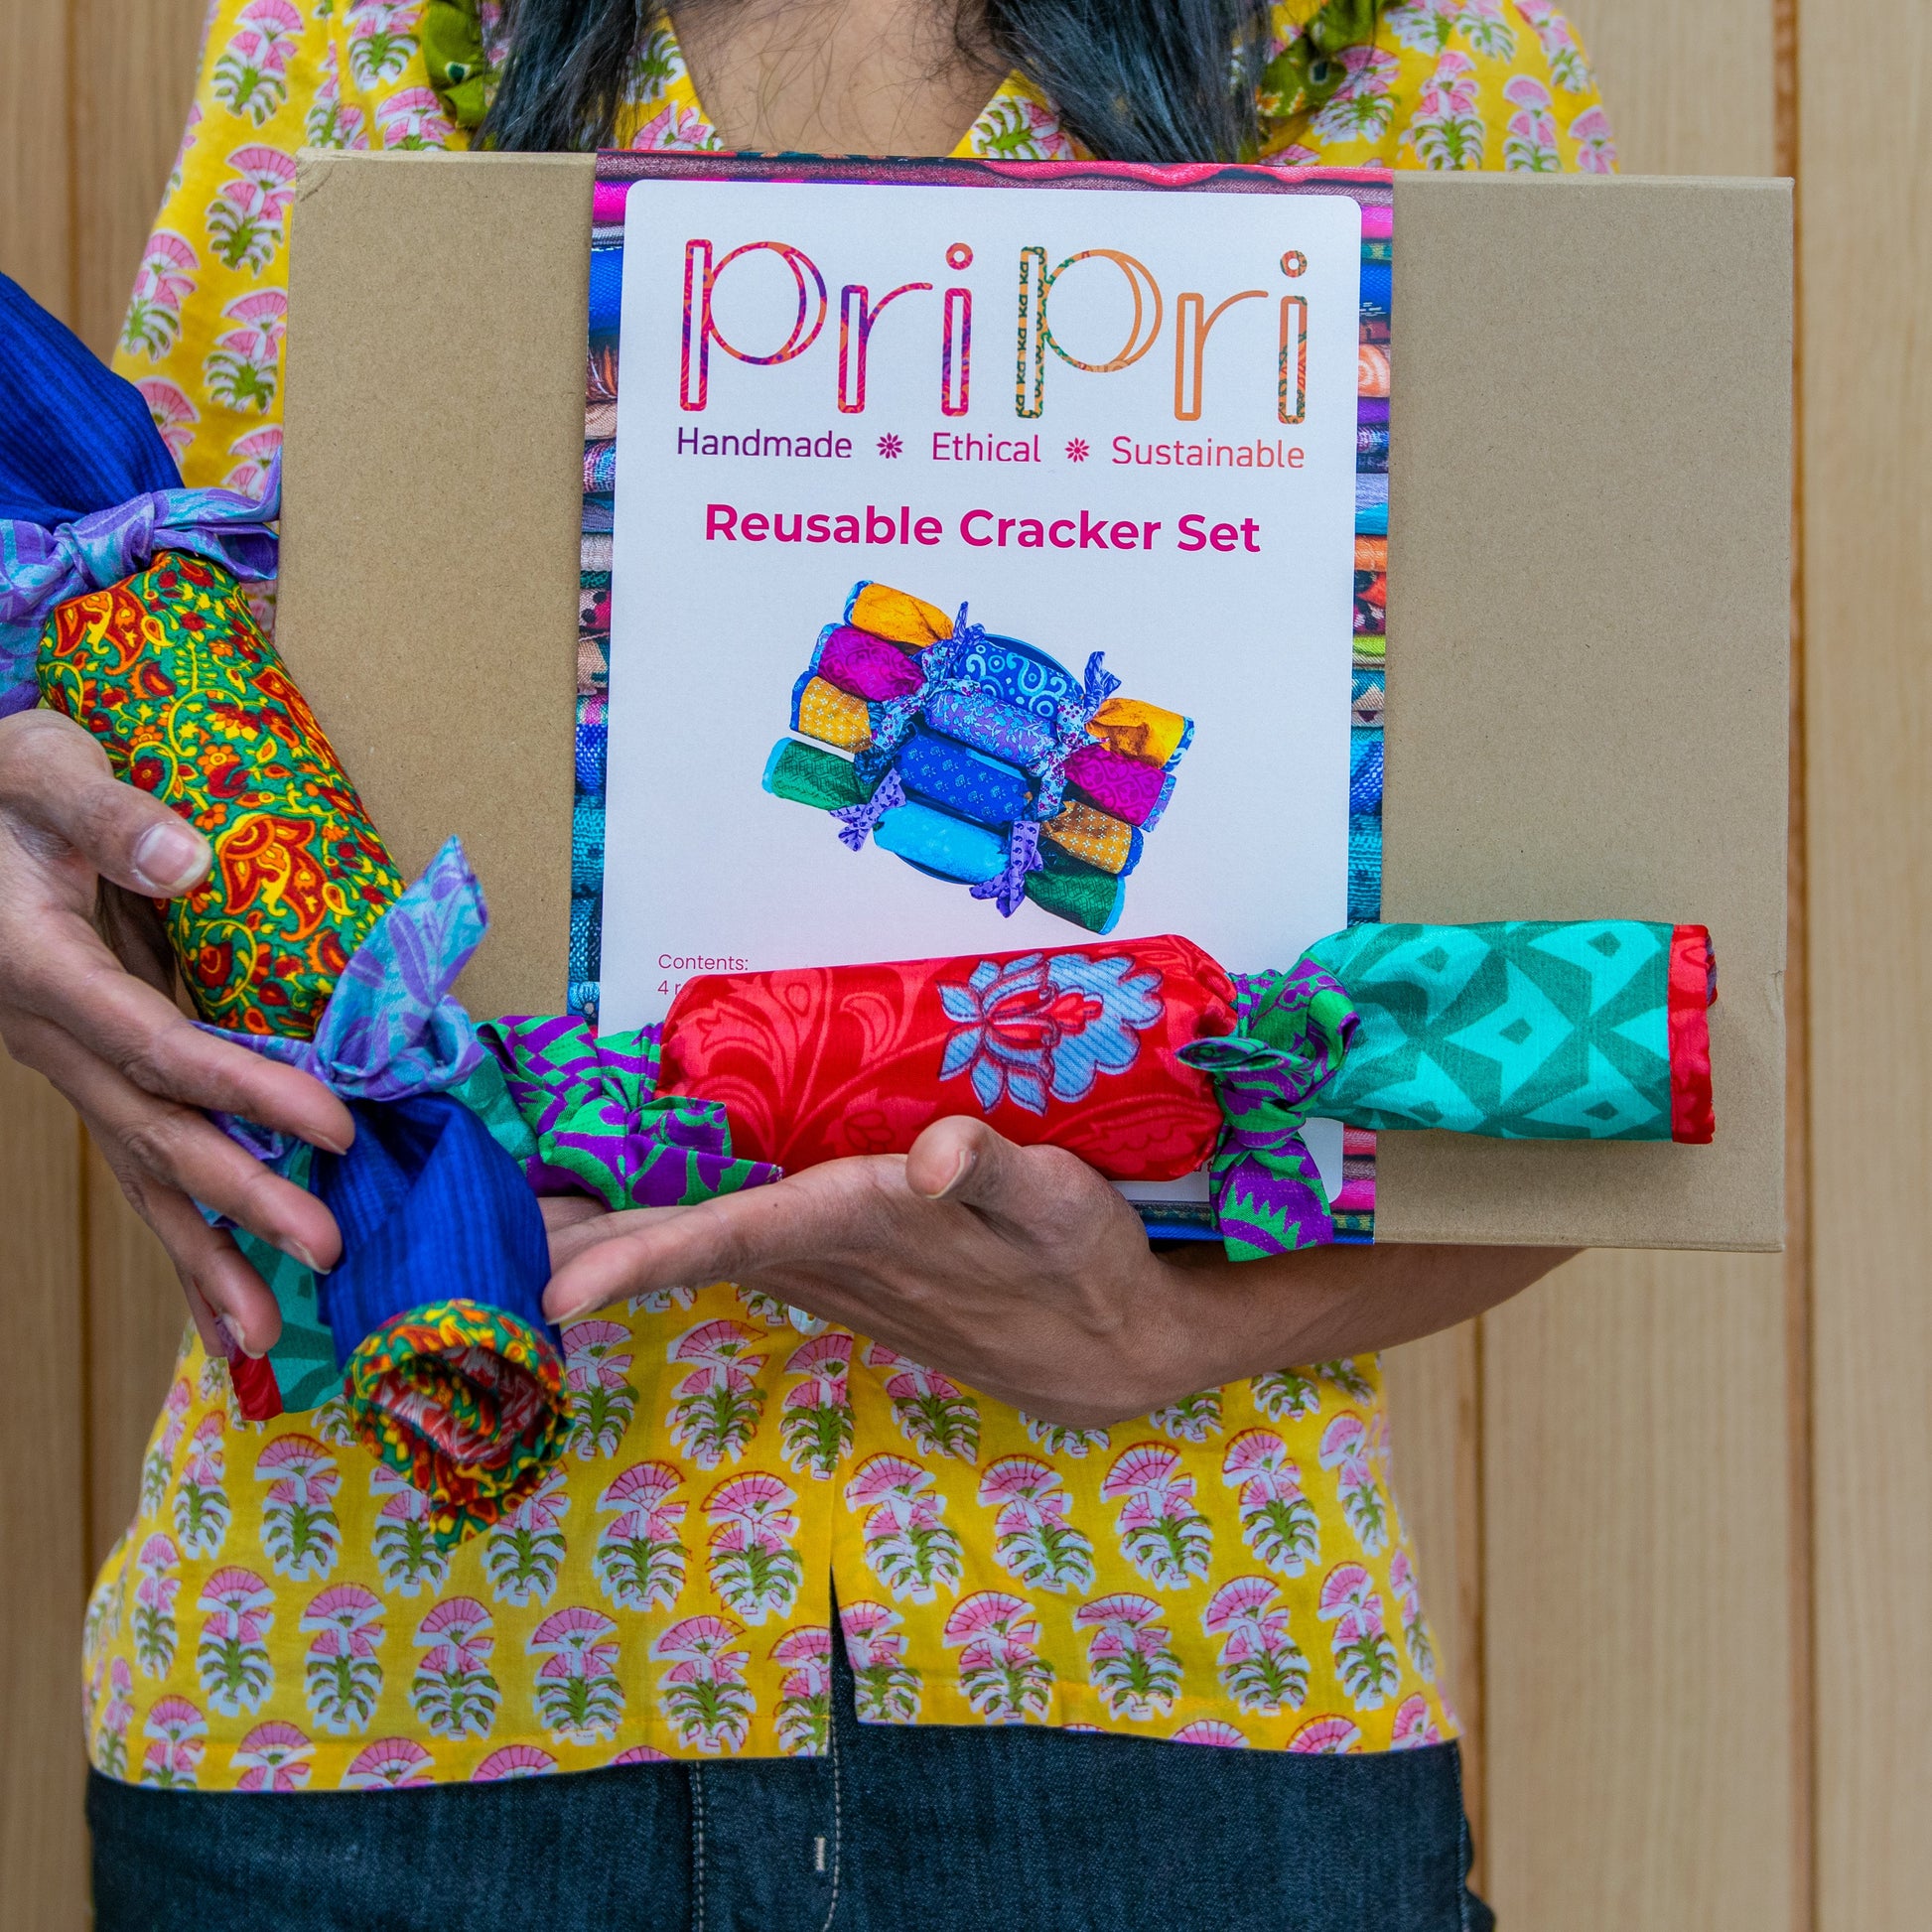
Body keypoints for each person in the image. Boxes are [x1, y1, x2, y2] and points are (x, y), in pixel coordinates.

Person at [0, 3, 1614, 1926]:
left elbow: (1608, 986)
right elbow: (124, 615)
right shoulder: (356, 28)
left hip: (1164, 1655)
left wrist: (1186, 1337)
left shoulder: (1413, 48)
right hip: (388, 1669)